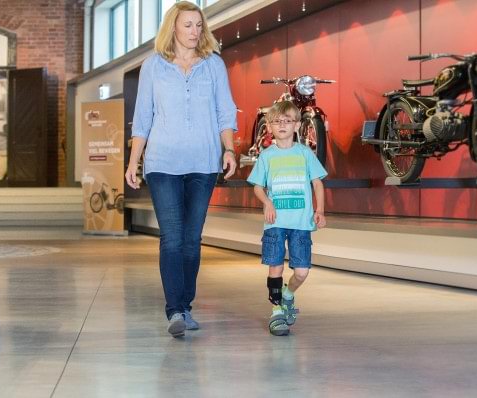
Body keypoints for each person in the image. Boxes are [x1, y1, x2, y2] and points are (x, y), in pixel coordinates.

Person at [125, 1, 237, 338]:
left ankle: (186, 304)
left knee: (192, 239)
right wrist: (134, 161)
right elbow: (143, 117)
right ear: (172, 27)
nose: (194, 31)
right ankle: (174, 309)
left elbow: (225, 112)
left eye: (198, 25)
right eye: (188, 25)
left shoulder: (214, 65)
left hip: (203, 163)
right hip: (163, 163)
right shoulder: (153, 66)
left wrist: (229, 149)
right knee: (172, 238)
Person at [247, 101, 328, 336]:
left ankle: (288, 294)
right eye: (277, 121)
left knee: (301, 271)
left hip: (301, 223)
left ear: (297, 125)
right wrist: (267, 203)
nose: (282, 125)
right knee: (275, 267)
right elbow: (257, 187)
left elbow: (317, 183)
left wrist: (319, 210)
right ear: (269, 127)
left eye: (288, 120)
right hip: (275, 223)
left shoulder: (305, 154)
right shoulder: (266, 156)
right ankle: (277, 313)